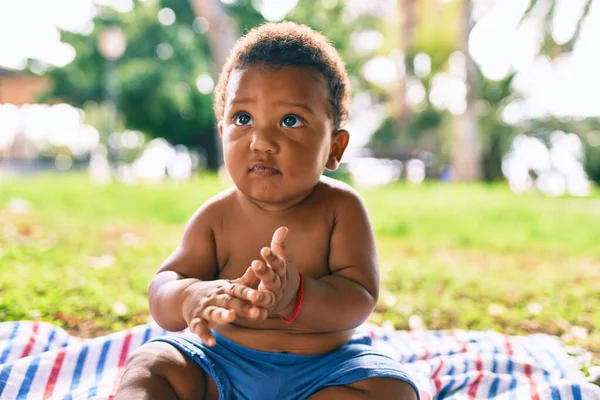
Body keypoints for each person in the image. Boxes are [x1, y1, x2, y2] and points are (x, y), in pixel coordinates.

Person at [116, 21, 419, 400]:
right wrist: (190, 296)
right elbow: (163, 286)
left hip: (322, 371)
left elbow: (358, 299)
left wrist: (297, 295)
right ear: (222, 128)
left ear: (334, 148)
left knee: (391, 389)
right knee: (151, 365)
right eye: (242, 119)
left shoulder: (341, 209)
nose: (262, 141)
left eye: (290, 121)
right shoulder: (217, 216)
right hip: (220, 363)